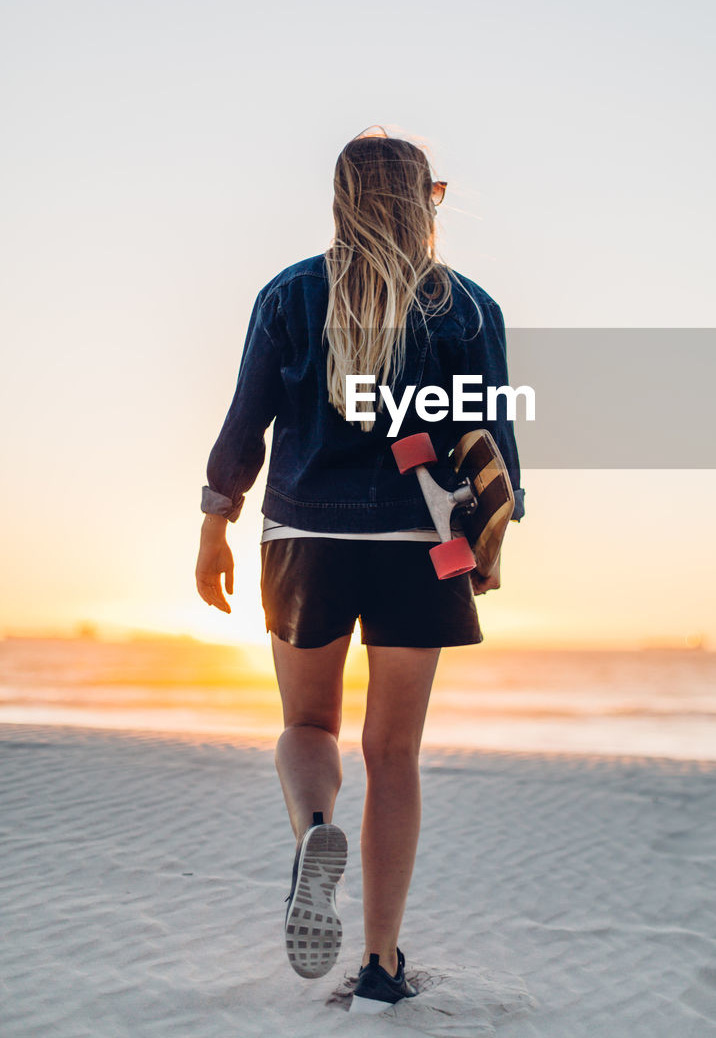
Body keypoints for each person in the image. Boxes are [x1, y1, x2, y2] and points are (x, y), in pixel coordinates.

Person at [195, 129, 524, 1013]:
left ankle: (313, 832)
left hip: (303, 539)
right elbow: (493, 443)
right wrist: (492, 541)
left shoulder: (289, 294)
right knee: (394, 753)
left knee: (308, 725)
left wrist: (213, 524)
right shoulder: (465, 308)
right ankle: (380, 967)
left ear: (340, 198)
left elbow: (244, 428)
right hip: (421, 545)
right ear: (422, 202)